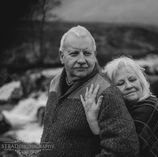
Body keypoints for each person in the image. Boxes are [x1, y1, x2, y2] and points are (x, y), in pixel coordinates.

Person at [39, 26, 139, 157]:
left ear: (95, 55)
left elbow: (125, 148)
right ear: (61, 56)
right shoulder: (54, 82)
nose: (81, 60)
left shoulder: (106, 92)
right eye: (74, 54)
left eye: (87, 53)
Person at [81, 56, 158, 157]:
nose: (129, 86)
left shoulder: (149, 108)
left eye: (132, 80)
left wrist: (94, 124)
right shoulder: (126, 111)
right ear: (111, 90)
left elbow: (121, 149)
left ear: (141, 81)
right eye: (120, 83)